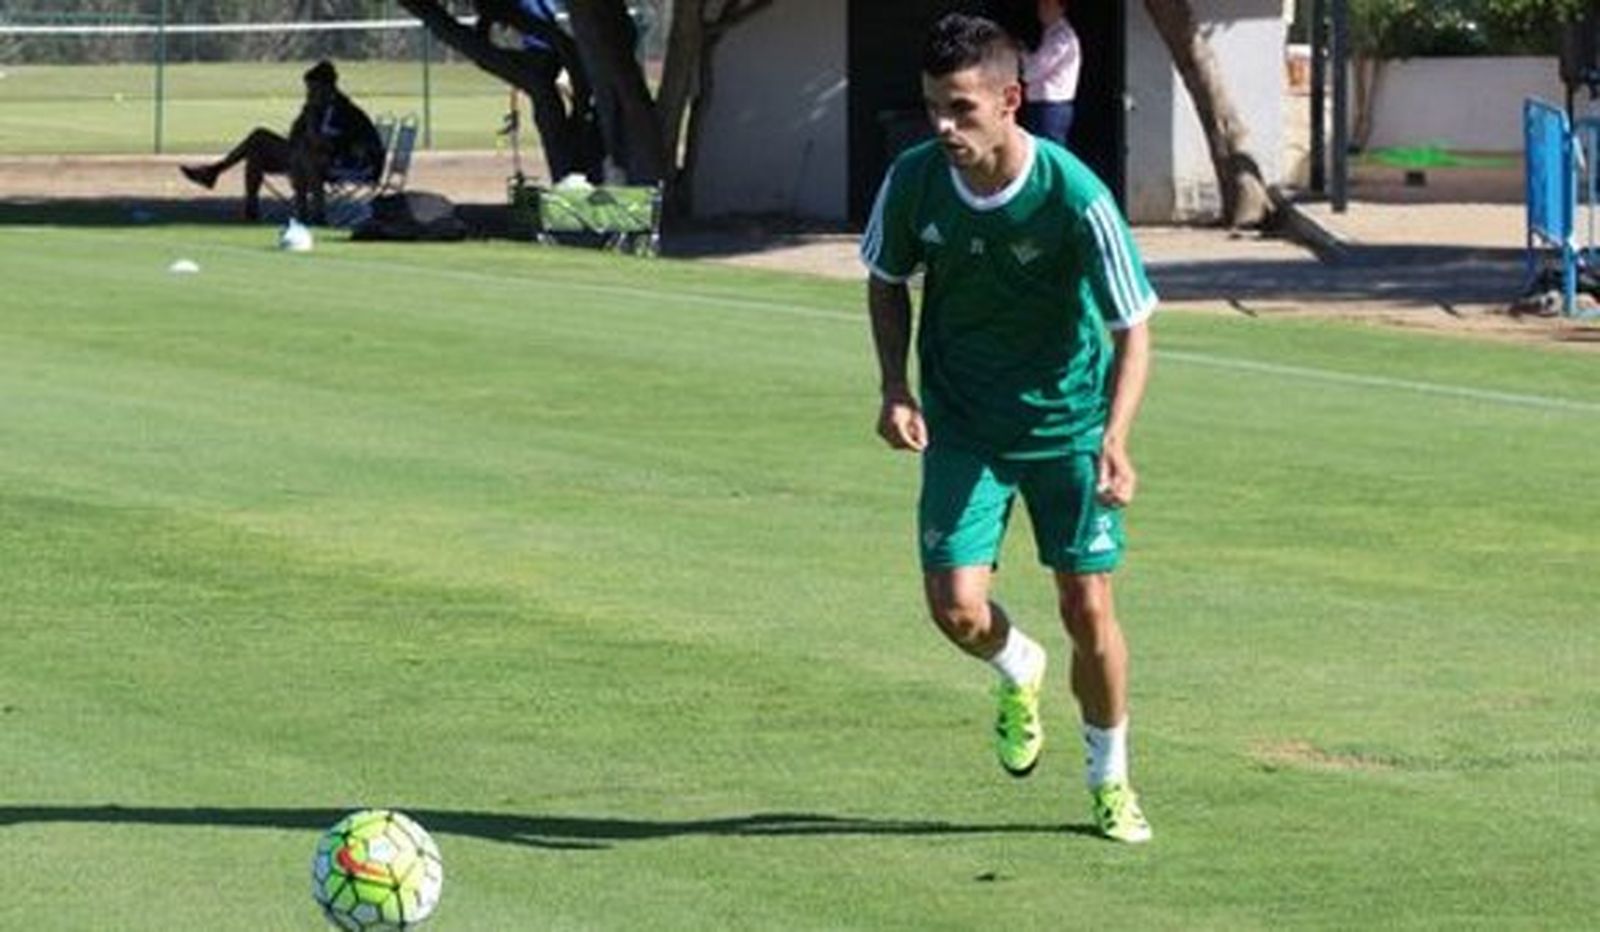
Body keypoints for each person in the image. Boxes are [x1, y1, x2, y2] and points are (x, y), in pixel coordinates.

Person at [859, 13, 1156, 843]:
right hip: (964, 423)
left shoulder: (1074, 195)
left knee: (1087, 608)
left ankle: (1109, 781)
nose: (944, 127)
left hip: (1068, 427)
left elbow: (1134, 327)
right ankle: (1015, 664)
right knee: (955, 608)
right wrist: (894, 385)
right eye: (933, 108)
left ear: (1011, 99)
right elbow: (887, 278)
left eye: (961, 108)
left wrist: (1115, 438)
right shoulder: (914, 179)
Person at [180, 60, 383, 224]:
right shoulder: (316, 107)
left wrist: (310, 119)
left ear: (327, 88)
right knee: (258, 144)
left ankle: (313, 215)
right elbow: (296, 135)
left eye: (313, 90)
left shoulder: (340, 111)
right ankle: (249, 208)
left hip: (352, 164)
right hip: (317, 156)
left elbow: (322, 144)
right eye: (308, 90)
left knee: (305, 154)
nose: (309, 95)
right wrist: (305, 117)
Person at [1018, 0, 1080, 147]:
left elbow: (1031, 72)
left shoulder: (1061, 37)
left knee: (1049, 154)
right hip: (1042, 106)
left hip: (1051, 108)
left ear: (1061, 7)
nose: (1042, 9)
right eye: (1040, 4)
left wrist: (1021, 54)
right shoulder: (1050, 33)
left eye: (1047, 4)